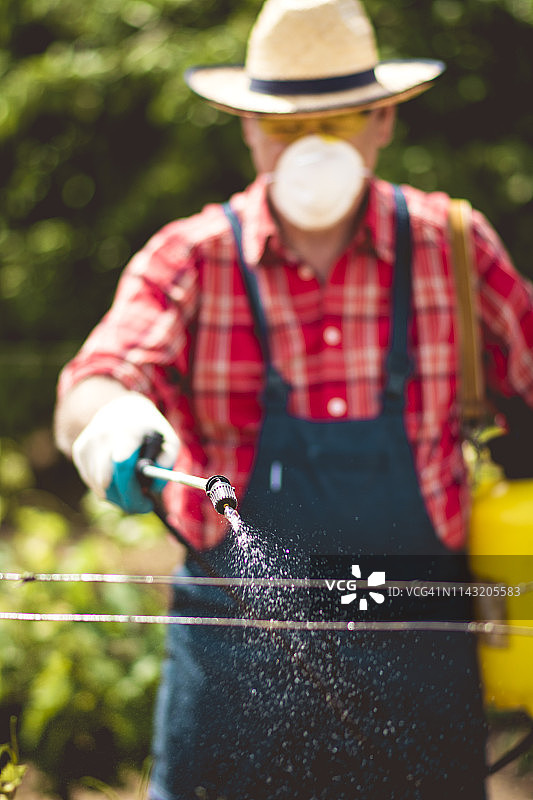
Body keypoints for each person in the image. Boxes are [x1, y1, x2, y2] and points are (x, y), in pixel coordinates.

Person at [54, 0, 533, 798]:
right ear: (246, 127)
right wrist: (111, 423)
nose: (312, 149)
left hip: (419, 661)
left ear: (382, 120)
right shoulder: (192, 259)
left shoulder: (453, 246)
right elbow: (93, 378)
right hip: (233, 668)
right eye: (284, 127)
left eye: (339, 121)